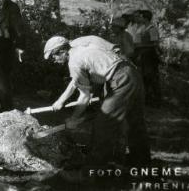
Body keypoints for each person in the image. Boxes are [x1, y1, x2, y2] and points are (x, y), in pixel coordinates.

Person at [43, 35, 150, 168]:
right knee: (135, 123)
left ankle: (90, 172)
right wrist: (61, 100)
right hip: (131, 71)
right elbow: (76, 80)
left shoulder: (74, 61)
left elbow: (84, 97)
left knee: (103, 125)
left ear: (62, 51)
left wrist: (73, 119)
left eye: (54, 57)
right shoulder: (81, 42)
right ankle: (142, 163)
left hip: (119, 80)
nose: (54, 61)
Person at [127, 9, 161, 105]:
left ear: (145, 18)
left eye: (141, 16)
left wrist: (140, 46)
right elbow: (137, 42)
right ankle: (145, 98)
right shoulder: (141, 28)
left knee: (152, 77)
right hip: (141, 55)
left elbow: (155, 44)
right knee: (143, 77)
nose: (139, 18)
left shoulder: (152, 29)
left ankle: (157, 100)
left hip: (149, 56)